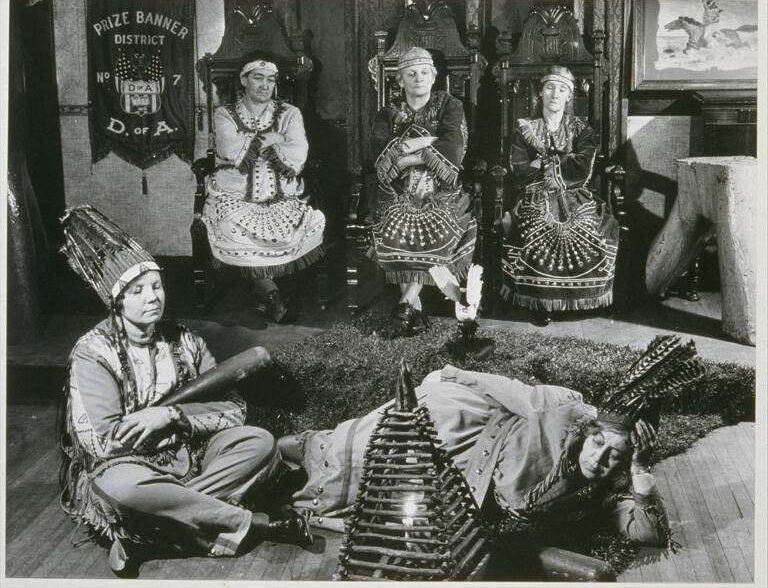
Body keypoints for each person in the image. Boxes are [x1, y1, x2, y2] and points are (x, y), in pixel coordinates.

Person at [58, 205, 311, 577]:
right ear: (117, 300)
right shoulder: (93, 353)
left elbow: (234, 410)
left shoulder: (185, 340)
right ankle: (255, 524)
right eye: (138, 291)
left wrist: (170, 416)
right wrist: (153, 428)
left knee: (259, 443)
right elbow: (102, 443)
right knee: (121, 489)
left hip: (191, 455)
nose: (153, 297)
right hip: (127, 467)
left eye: (156, 286)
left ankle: (152, 533)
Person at [278, 334, 703, 548]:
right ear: (591, 430)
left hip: (466, 484)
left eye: (616, 456)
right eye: (598, 444)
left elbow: (648, 533)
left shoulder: (608, 488)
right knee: (353, 451)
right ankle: (295, 445)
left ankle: (288, 468)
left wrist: (640, 470)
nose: (600, 459)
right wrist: (455, 375)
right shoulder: (569, 407)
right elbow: (514, 392)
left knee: (375, 499)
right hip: (464, 426)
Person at [202, 52, 326, 322]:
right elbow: (229, 147)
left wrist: (254, 141)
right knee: (231, 226)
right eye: (258, 78)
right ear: (243, 80)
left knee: (298, 224)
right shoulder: (224, 114)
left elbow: (298, 152)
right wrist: (275, 138)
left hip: (281, 195)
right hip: (234, 194)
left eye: (271, 80)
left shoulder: (290, 113)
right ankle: (272, 293)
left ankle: (264, 294)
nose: (265, 85)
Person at [500, 65, 619, 326]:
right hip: (535, 193)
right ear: (540, 93)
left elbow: (583, 167)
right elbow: (519, 169)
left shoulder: (582, 130)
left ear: (569, 96)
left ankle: (586, 298)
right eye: (550, 87)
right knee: (536, 225)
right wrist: (563, 161)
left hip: (575, 194)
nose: (555, 94)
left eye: (562, 89)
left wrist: (544, 163)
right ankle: (542, 301)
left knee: (590, 227)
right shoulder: (525, 129)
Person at [371, 47, 477, 335]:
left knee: (435, 226)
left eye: (424, 73)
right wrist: (428, 143)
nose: (418, 78)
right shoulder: (387, 113)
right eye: (411, 74)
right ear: (400, 80)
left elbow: (454, 147)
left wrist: (407, 151)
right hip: (397, 187)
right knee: (396, 224)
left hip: (441, 188)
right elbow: (380, 152)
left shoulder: (450, 106)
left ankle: (404, 304)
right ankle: (412, 310)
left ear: (434, 76)